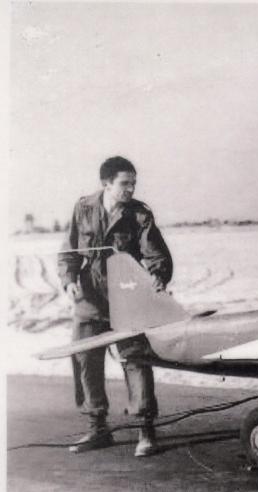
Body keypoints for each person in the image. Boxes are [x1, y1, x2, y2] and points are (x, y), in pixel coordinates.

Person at [58, 156, 173, 457]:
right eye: (125, 183)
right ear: (106, 183)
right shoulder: (83, 208)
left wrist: (159, 276)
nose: (131, 189)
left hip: (127, 297)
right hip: (90, 300)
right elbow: (68, 251)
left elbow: (157, 253)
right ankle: (97, 427)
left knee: (135, 359)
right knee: (84, 357)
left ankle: (145, 429)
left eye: (134, 183)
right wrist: (69, 279)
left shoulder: (139, 215)